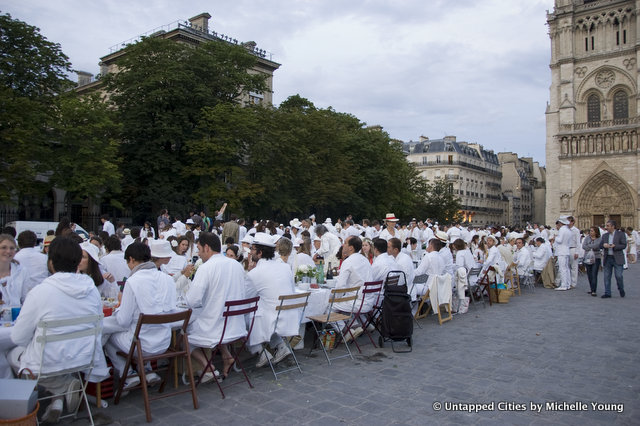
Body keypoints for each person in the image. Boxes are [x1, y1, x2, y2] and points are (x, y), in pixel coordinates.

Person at [10, 236, 104, 423]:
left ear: (50, 261)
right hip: (84, 358)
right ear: (78, 261)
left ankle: (61, 387)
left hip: (48, 362)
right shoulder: (91, 289)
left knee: (11, 354)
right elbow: (99, 327)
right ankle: (58, 401)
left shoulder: (40, 292)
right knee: (60, 351)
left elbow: (18, 337)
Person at [104, 242, 176, 389]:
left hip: (141, 345)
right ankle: (148, 371)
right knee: (140, 330)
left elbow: (123, 321)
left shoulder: (133, 281)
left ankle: (128, 374)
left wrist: (119, 307)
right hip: (164, 342)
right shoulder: (167, 279)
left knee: (108, 337)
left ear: (131, 260)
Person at [185, 232, 246, 381]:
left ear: (207, 248)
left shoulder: (206, 268)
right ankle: (226, 356)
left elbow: (192, 300)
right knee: (216, 317)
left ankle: (207, 366)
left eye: (199, 249)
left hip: (217, 328)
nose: (199, 254)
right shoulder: (236, 265)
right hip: (235, 325)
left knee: (183, 334)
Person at [245, 233, 298, 367]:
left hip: (273, 319)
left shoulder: (256, 273)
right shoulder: (284, 267)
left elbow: (245, 297)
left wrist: (248, 272)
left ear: (260, 252)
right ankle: (280, 346)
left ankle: (260, 351)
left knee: (244, 315)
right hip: (291, 316)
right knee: (263, 310)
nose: (250, 252)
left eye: (252, 249)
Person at [14, 230, 49, 300]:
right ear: (34, 243)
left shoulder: (14, 259)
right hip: (42, 296)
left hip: (21, 298)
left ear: (19, 243)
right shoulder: (45, 258)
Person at [599, 220, 627, 298]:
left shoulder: (621, 234)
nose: (606, 227)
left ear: (613, 226)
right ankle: (607, 292)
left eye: (608, 226)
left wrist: (615, 246)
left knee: (619, 276)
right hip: (608, 258)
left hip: (617, 258)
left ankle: (621, 288)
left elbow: (624, 245)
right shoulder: (605, 235)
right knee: (606, 276)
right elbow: (600, 245)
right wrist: (604, 245)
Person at [0, 234, 26, 306]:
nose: (8, 251)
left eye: (12, 248)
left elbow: (26, 299)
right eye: (4, 247)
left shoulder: (22, 272)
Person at [553, 217, 573, 291]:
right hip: (566, 250)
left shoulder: (562, 229)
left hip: (561, 250)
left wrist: (556, 238)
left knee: (562, 269)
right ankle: (568, 284)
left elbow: (560, 240)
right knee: (566, 268)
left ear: (560, 223)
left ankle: (563, 285)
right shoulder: (568, 230)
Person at [582, 227, 602, 297]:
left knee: (594, 274)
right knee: (589, 274)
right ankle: (592, 288)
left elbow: (597, 246)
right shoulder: (587, 238)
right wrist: (591, 247)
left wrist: (589, 246)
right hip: (587, 257)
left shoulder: (599, 238)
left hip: (596, 257)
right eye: (590, 231)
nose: (591, 232)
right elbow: (583, 246)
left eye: (592, 231)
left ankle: (594, 290)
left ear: (596, 232)